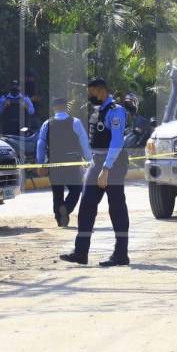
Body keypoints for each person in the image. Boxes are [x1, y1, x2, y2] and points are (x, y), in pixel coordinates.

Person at [60, 77, 130, 267]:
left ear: (101, 90)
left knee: (117, 208)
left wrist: (106, 168)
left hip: (113, 164)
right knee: (86, 206)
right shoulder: (97, 110)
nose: (89, 96)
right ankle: (80, 253)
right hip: (97, 162)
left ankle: (121, 254)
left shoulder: (116, 111)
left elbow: (117, 141)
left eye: (91, 92)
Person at [36, 96, 90, 228]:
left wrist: (40, 164)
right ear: (66, 107)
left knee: (57, 192)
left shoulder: (47, 124)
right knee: (76, 189)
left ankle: (59, 219)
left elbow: (40, 145)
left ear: (54, 108)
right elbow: (84, 143)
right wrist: (90, 160)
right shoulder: (75, 122)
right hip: (72, 163)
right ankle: (66, 208)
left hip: (54, 163)